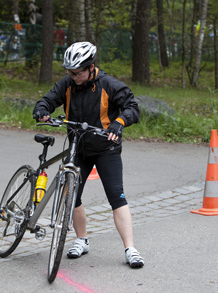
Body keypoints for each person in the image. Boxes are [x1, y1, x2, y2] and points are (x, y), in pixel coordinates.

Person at [33, 41, 144, 268]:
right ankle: (81, 240)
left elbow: (133, 107)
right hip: (79, 148)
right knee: (71, 195)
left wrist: (119, 123)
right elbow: (48, 99)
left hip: (106, 149)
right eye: (71, 73)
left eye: (79, 72)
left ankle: (130, 249)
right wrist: (41, 109)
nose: (74, 77)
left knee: (116, 196)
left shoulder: (109, 84)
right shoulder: (67, 84)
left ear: (91, 66)